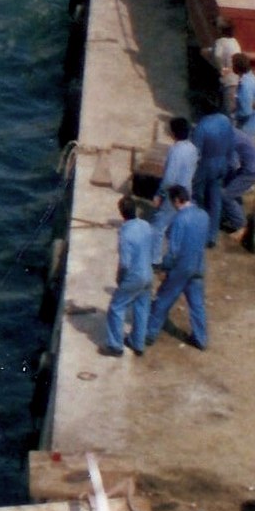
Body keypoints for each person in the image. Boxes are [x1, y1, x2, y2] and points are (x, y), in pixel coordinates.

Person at [143, 184, 212, 351]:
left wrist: (163, 268)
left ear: (176, 201)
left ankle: (149, 334)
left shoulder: (179, 220)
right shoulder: (203, 215)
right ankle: (201, 339)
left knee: (162, 300)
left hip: (180, 269)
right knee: (197, 304)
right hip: (198, 265)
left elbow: (173, 251)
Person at [104, 194, 158, 356]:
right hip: (148, 274)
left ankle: (115, 346)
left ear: (121, 213)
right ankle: (138, 344)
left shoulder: (125, 234)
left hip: (134, 276)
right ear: (135, 210)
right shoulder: (146, 226)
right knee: (142, 308)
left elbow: (125, 263)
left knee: (116, 307)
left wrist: (120, 278)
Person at [192, 110, 238, 244]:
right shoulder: (225, 121)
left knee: (198, 197)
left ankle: (198, 231)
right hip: (222, 164)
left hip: (206, 166)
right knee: (215, 200)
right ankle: (212, 236)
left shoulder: (202, 126)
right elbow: (231, 145)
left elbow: (196, 151)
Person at [220, 127, 255, 236]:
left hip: (251, 171)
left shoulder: (231, 137)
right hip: (253, 168)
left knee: (225, 195)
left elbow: (231, 162)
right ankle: (234, 217)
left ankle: (240, 225)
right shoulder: (235, 132)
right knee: (233, 191)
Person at [154, 117, 197, 232]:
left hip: (174, 194)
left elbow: (169, 178)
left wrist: (160, 194)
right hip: (187, 192)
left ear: (173, 133)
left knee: (158, 227)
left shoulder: (175, 151)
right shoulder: (192, 149)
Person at [229, 53, 255, 137]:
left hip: (247, 125)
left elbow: (245, 111)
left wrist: (233, 115)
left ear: (237, 67)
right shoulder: (251, 77)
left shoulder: (245, 84)